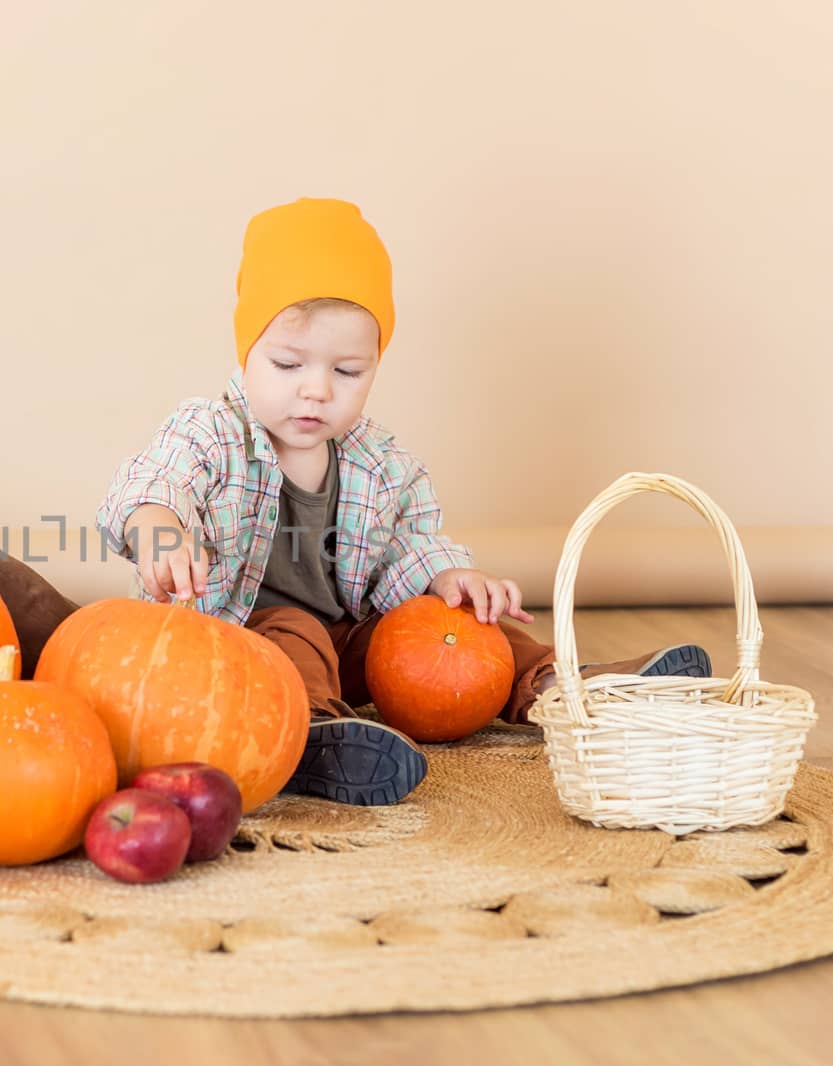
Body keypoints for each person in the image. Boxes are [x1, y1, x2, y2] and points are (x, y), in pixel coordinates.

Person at [96, 197, 710, 807]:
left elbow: (409, 547)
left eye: (348, 372)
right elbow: (152, 482)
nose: (316, 390)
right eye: (287, 364)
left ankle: (569, 688)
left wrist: (451, 576)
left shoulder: (379, 460)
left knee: (463, 628)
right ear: (246, 353)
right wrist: (161, 528)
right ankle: (305, 735)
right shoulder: (210, 432)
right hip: (242, 647)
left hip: (350, 645)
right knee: (295, 629)